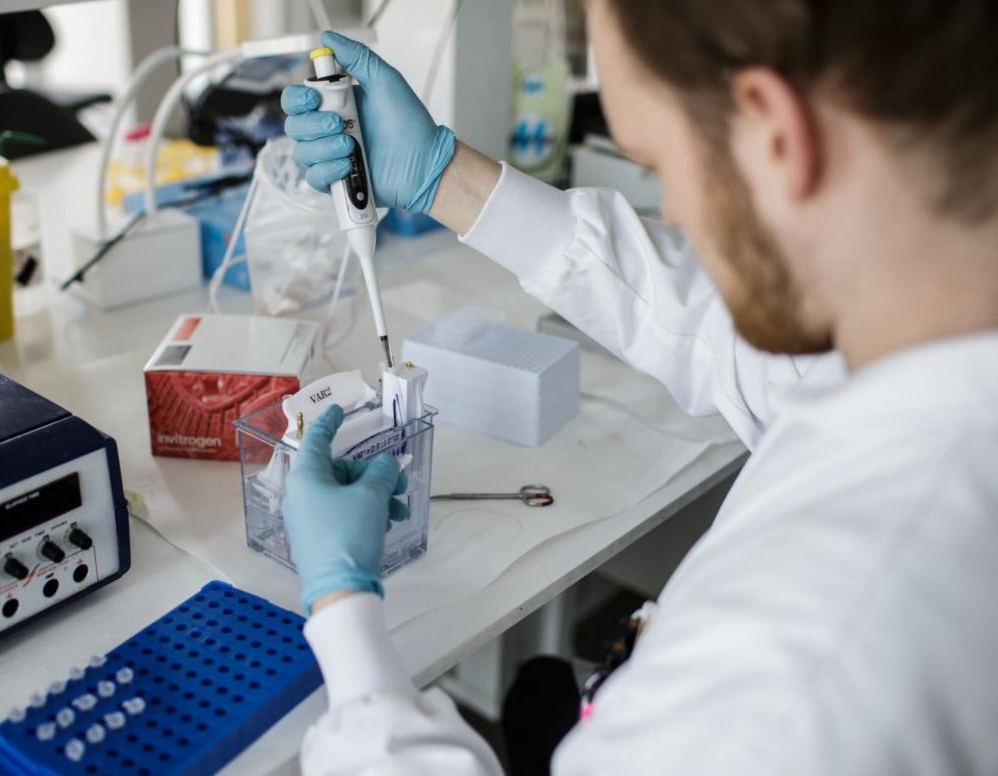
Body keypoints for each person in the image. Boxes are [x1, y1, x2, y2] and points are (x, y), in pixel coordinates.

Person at [277, 0, 998, 772]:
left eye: (657, 165)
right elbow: (713, 327)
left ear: (776, 135)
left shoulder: (795, 686)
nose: (677, 212)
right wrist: (444, 178)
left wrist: (344, 614)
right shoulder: (914, 334)